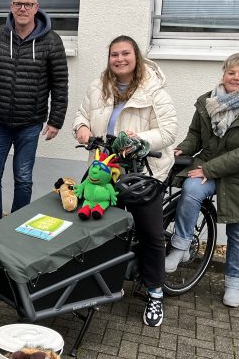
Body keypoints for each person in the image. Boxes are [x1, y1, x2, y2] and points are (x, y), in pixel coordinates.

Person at [72, 35, 177, 327]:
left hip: (143, 171)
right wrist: (81, 128)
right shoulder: (99, 86)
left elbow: (168, 131)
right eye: (114, 54)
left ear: (136, 57)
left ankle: (155, 292)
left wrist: (140, 139)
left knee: (151, 235)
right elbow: (82, 114)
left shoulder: (153, 89)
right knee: (88, 225)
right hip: (105, 169)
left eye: (125, 54)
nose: (119, 59)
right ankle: (93, 284)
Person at [165, 53, 239, 308]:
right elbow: (195, 135)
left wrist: (208, 169)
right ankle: (180, 246)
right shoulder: (208, 102)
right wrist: (184, 149)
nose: (236, 78)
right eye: (232, 72)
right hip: (211, 165)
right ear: (223, 73)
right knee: (190, 189)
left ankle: (233, 283)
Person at [0, 0, 68, 224]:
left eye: (27, 4)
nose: (22, 8)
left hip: (30, 124)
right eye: (18, 3)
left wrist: (56, 120)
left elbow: (60, 85)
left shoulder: (52, 42)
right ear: (11, 7)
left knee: (23, 178)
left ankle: (16, 225)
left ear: (36, 8)